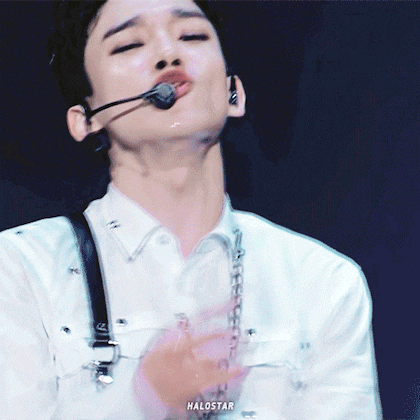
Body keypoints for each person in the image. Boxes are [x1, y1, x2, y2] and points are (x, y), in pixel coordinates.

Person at [0, 0, 382, 419]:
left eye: (192, 36)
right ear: (85, 118)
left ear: (234, 94)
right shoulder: (21, 271)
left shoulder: (321, 282)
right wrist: (143, 401)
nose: (169, 54)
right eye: (129, 45)